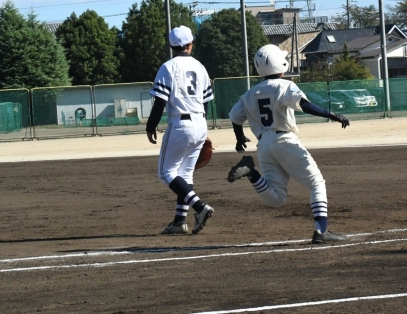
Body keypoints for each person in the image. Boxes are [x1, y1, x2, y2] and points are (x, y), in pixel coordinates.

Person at [227, 44, 350, 244]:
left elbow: (235, 117)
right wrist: (332, 114)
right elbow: (305, 105)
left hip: (264, 145)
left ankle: (252, 172)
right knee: (316, 183)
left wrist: (239, 137)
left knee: (277, 198)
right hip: (284, 140)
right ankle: (321, 231)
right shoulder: (284, 85)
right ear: (280, 63)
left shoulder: (249, 93)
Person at [146, 25, 214, 235]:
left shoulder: (168, 67)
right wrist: (201, 129)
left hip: (180, 124)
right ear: (190, 44)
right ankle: (179, 222)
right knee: (185, 173)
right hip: (200, 122)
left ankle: (200, 207)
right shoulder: (200, 67)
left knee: (166, 172)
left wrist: (150, 126)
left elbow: (160, 101)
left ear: (171, 46)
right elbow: (206, 102)